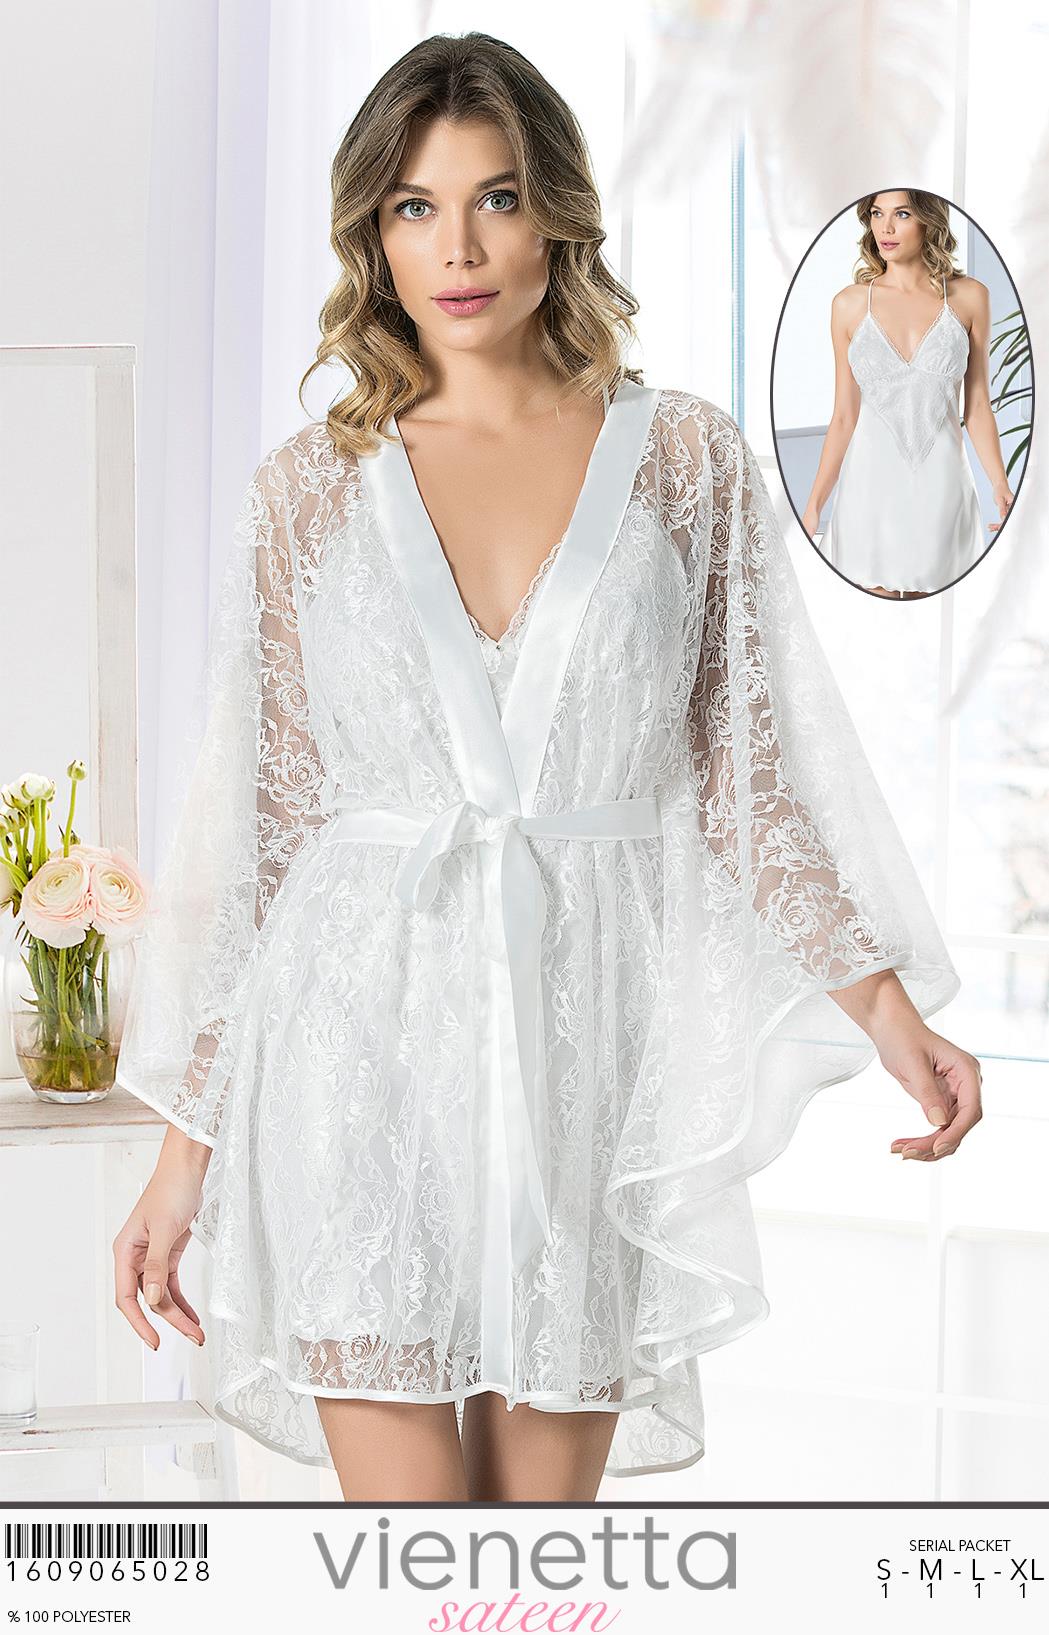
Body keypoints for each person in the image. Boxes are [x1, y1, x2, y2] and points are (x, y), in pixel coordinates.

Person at [113, 34, 982, 1504]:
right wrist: (178, 1161)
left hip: (583, 1059)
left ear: (557, 215)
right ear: (372, 234)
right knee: (411, 1567)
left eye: (496, 199)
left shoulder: (686, 461)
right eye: (413, 207)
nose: (457, 249)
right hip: (352, 1056)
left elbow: (745, 776)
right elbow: (270, 836)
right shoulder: (305, 490)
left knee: (533, 1564)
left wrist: (892, 1014)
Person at [802, 190, 1013, 597]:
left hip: (943, 485)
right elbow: (844, 416)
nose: (885, 227)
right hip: (869, 486)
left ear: (928, 220)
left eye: (901, 214)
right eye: (876, 214)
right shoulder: (848, 305)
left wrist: (999, 484)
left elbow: (977, 406)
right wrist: (813, 507)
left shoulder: (970, 297)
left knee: (942, 607)